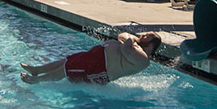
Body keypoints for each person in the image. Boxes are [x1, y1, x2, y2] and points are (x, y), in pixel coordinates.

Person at [20, 32, 162, 85]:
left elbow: (125, 48)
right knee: (67, 60)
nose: (142, 35)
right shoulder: (135, 45)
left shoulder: (143, 59)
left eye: (146, 36)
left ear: (151, 44)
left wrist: (131, 39)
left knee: (68, 68)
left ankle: (36, 80)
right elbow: (122, 35)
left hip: (100, 67)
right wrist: (130, 40)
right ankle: (37, 70)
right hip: (97, 57)